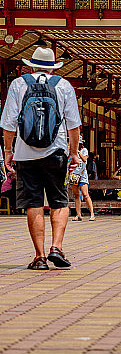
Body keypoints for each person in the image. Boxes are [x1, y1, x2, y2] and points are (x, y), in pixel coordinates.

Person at [0, 47, 82, 270]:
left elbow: (8, 124)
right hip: (56, 153)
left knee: (33, 203)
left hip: (25, 155)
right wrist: (73, 153)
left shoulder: (18, 84)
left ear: (31, 65)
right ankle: (57, 247)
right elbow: (73, 124)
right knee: (59, 201)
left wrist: (9, 152)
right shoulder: (64, 86)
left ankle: (39, 257)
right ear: (53, 66)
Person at [71, 137, 95, 221]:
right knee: (77, 195)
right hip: (74, 175)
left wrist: (77, 152)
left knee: (85, 194)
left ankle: (92, 214)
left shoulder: (84, 150)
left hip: (82, 176)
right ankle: (78, 214)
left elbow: (84, 159)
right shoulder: (71, 150)